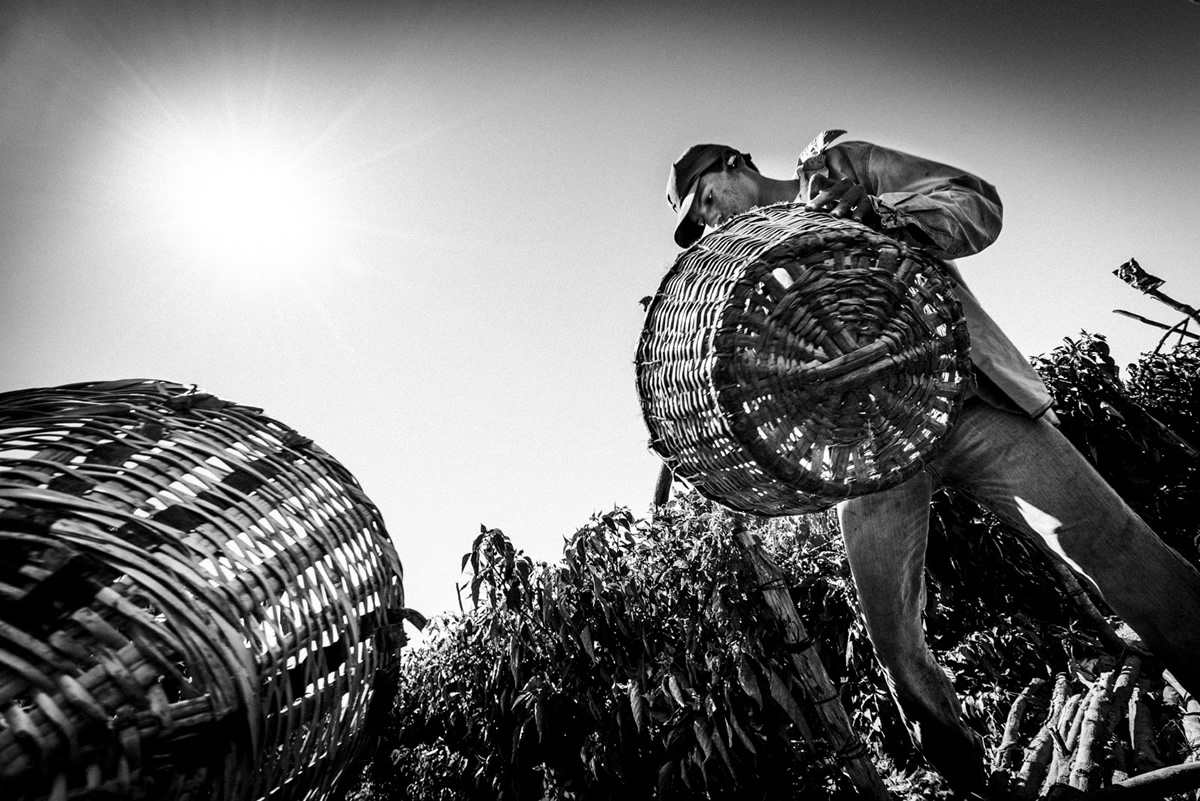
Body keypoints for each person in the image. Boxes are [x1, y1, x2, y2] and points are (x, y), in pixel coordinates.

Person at [664, 131, 1200, 798]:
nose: (708, 220)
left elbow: (978, 205)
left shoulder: (837, 169)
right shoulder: (752, 275)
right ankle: (973, 784)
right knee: (895, 644)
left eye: (706, 199)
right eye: (697, 222)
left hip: (966, 394)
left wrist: (881, 215)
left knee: (1110, 544)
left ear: (734, 164)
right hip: (871, 453)